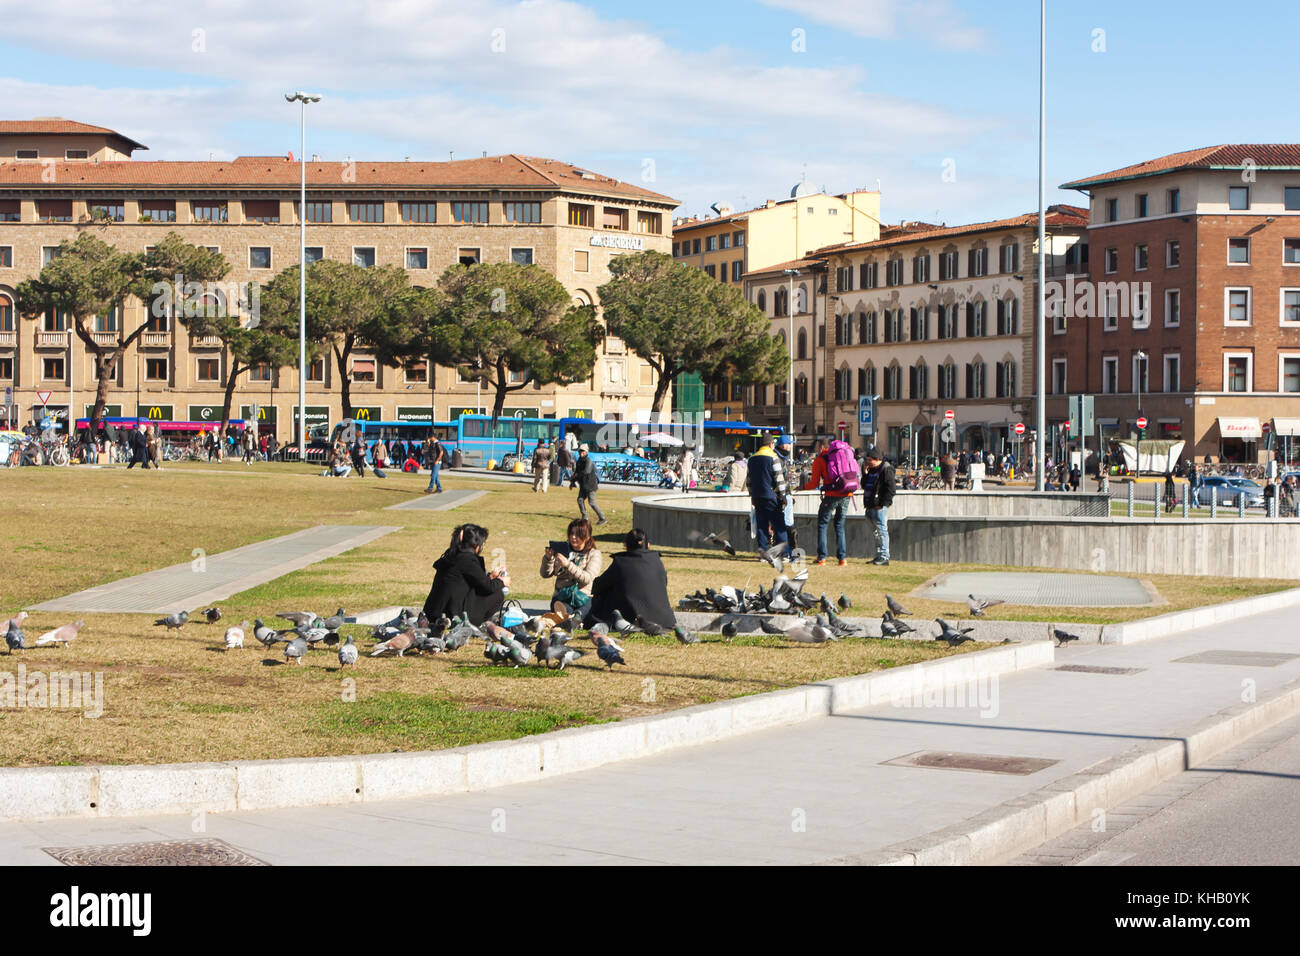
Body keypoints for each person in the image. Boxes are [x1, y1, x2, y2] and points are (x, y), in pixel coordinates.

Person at [587, 528, 675, 630]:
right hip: (665, 621)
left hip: (633, 621)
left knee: (605, 593)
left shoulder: (621, 562)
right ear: (648, 544)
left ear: (626, 545)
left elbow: (597, 587)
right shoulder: (657, 561)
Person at [421, 524, 509, 626]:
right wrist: (502, 581)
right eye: (483, 544)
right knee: (497, 594)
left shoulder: (452, 554)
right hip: (452, 615)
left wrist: (491, 577)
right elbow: (487, 587)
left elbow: (470, 582)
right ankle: (471, 624)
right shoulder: (467, 559)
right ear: (476, 544)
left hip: (434, 611)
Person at [803, 439, 856, 566]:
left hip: (831, 495)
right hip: (847, 493)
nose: (815, 450)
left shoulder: (820, 460)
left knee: (822, 524)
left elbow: (814, 483)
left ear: (821, 447)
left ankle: (822, 557)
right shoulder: (843, 455)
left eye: (816, 447)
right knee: (839, 525)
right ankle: (842, 559)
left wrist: (803, 487)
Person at [541, 518, 603, 615]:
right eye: (571, 533)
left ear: (587, 537)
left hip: (583, 596)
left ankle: (576, 618)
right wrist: (548, 559)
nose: (573, 537)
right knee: (564, 609)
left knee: (589, 606)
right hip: (562, 596)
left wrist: (568, 565)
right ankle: (570, 617)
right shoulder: (563, 550)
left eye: (577, 535)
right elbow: (545, 574)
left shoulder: (594, 554)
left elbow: (587, 578)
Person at [746, 434, 790, 557]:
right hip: (771, 496)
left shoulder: (752, 459)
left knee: (761, 526)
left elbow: (749, 481)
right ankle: (784, 554)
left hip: (757, 496)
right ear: (771, 444)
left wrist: (752, 496)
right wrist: (783, 496)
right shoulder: (773, 457)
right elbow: (779, 479)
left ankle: (764, 554)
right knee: (779, 524)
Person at [861, 446, 896, 566]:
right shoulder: (871, 470)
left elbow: (891, 489)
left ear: (877, 459)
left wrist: (882, 504)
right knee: (877, 532)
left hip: (879, 507)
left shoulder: (886, 470)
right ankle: (879, 555)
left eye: (869, 460)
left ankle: (884, 556)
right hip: (871, 505)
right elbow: (864, 485)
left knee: (881, 531)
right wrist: (864, 473)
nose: (867, 462)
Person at [570, 443, 606, 524]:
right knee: (580, 500)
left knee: (592, 502)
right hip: (583, 485)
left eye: (583, 451)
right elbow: (577, 472)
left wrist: (576, 476)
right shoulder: (579, 460)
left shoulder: (588, 461)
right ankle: (584, 517)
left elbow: (586, 471)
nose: (581, 452)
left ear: (586, 452)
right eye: (580, 451)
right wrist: (572, 482)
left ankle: (602, 518)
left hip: (590, 485)